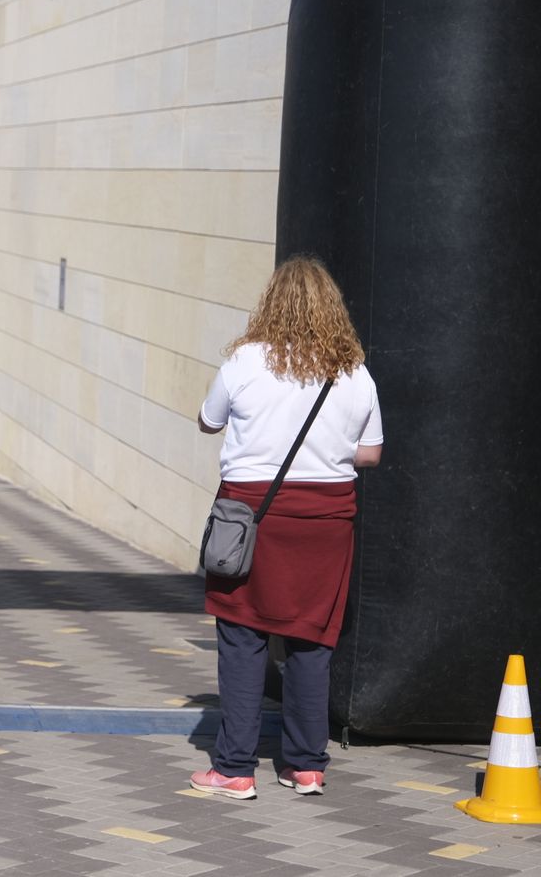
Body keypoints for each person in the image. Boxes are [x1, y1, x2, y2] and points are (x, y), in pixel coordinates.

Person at [190, 255, 383, 800]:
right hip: (326, 522)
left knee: (242, 635)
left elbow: (209, 421)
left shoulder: (244, 362)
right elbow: (370, 453)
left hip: (252, 517)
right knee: (311, 639)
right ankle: (305, 765)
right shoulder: (354, 372)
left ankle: (233, 768)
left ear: (271, 303)